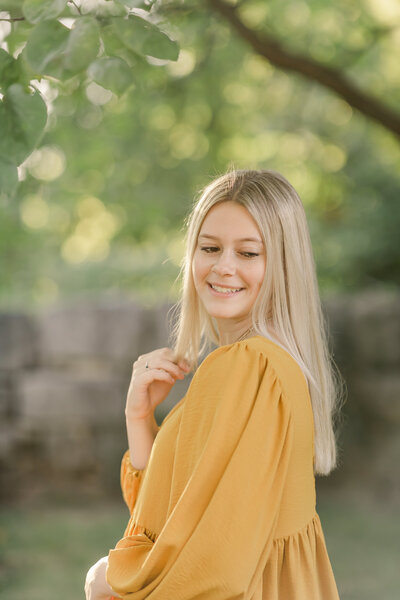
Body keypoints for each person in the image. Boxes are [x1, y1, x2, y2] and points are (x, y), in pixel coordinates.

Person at [85, 168, 344, 599]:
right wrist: (140, 416)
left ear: (282, 263)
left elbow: (212, 575)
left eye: (248, 253)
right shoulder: (267, 365)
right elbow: (179, 520)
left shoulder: (249, 366)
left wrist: (108, 582)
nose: (224, 267)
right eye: (210, 247)